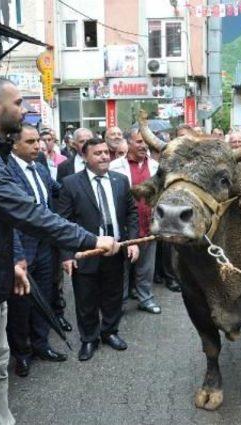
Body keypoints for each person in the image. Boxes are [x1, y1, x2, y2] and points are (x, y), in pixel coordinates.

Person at [0, 77, 118, 425]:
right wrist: (91, 239)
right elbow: (26, 212)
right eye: (18, 102)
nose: (25, 109)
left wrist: (9, 264)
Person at [58, 138, 139, 361]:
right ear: (85, 157)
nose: (104, 157)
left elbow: (131, 214)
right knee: (86, 299)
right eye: (98, 153)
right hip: (86, 253)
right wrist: (66, 255)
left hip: (115, 250)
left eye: (106, 153)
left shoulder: (121, 181)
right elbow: (62, 222)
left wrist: (132, 242)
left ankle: (110, 332)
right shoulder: (71, 184)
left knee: (113, 296)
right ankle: (89, 339)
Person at [7, 125, 67, 377]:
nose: (37, 146)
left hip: (45, 247)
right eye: (30, 142)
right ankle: (22, 353)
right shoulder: (5, 172)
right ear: (14, 145)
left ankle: (42, 344)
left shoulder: (40, 169)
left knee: (44, 296)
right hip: (21, 248)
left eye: (38, 142)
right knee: (20, 305)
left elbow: (56, 191)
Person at [110, 129, 161, 313]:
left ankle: (145, 298)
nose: (144, 145)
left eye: (145, 142)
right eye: (139, 141)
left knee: (146, 268)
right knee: (121, 268)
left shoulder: (156, 167)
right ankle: (120, 302)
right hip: (124, 227)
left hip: (149, 226)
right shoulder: (114, 166)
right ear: (128, 143)